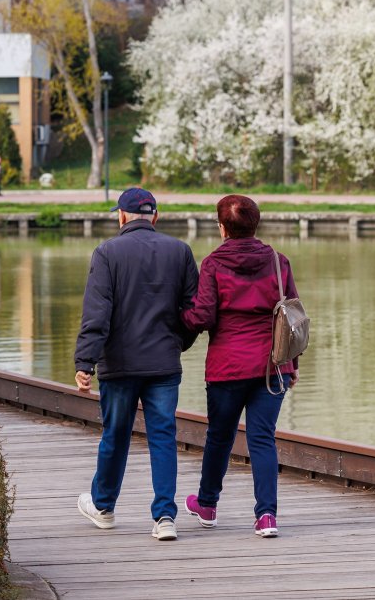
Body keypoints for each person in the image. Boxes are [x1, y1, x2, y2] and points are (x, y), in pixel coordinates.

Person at [75, 187, 199, 541]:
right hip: (163, 364)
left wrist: (86, 361)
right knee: (163, 438)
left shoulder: (108, 252)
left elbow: (96, 314)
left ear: (122, 216)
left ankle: (103, 506)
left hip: (120, 365)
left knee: (115, 435)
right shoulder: (180, 251)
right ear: (155, 217)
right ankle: (164, 518)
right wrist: (177, 344)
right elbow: (193, 313)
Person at [180, 194, 301, 539]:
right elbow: (293, 315)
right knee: (262, 439)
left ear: (222, 228)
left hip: (227, 367)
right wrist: (293, 365)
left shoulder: (213, 264)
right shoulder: (278, 262)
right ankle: (266, 517)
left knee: (219, 436)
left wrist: (176, 320)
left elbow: (202, 316)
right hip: (272, 365)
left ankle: (207, 505)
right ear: (255, 224)